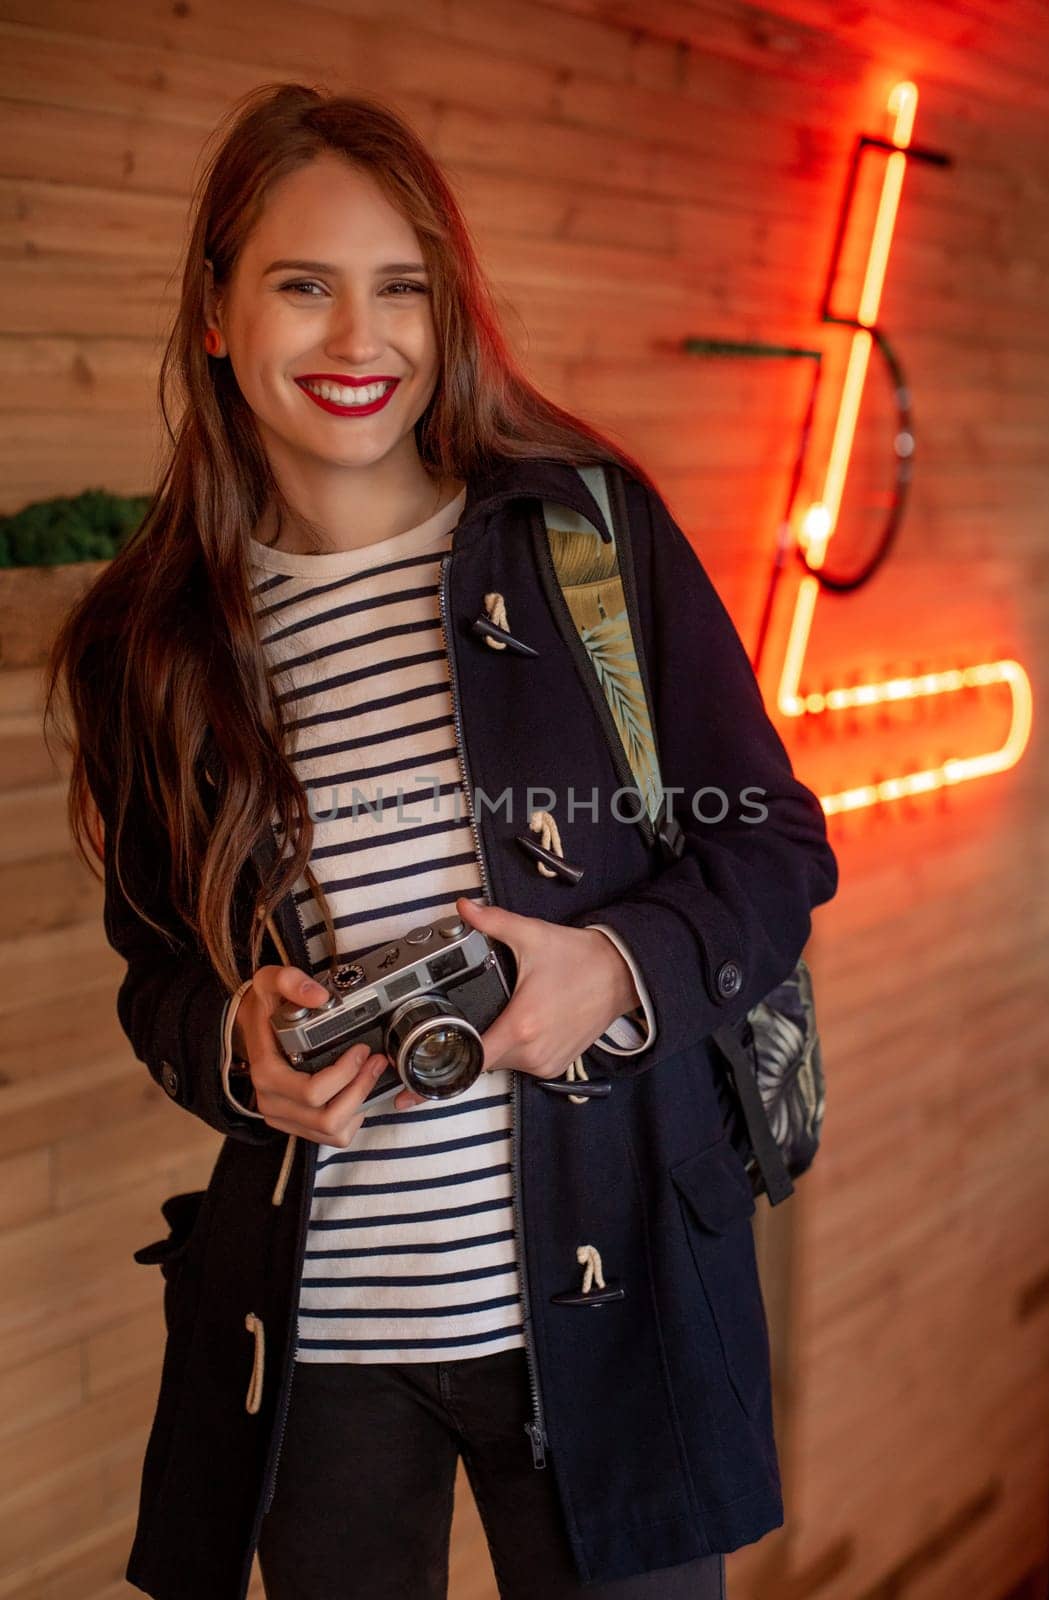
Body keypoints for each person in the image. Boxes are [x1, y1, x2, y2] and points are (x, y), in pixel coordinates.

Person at [46, 83, 838, 1600]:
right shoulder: (142, 644)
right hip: (321, 1350)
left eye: (402, 287)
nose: (361, 340)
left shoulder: (585, 537)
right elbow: (155, 970)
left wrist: (611, 971)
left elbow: (776, 849)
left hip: (614, 1306)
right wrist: (235, 1041)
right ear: (215, 312)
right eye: (303, 286)